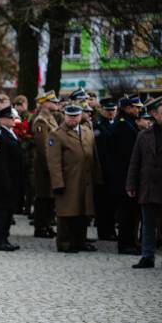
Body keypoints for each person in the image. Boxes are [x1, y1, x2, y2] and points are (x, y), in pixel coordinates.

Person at [46, 105, 101, 253]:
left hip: (85, 180)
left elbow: (94, 157)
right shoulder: (56, 134)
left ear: (80, 116)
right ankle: (64, 243)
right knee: (66, 212)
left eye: (76, 116)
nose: (73, 119)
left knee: (83, 212)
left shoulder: (87, 131)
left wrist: (98, 179)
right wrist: (57, 183)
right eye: (70, 116)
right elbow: (54, 162)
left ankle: (79, 241)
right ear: (65, 116)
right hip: (68, 180)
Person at [126, 97, 162, 268]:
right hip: (148, 187)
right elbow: (135, 162)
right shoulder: (143, 135)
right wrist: (131, 184)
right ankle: (147, 256)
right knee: (148, 224)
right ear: (154, 114)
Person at [0, 107, 24, 251]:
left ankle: (5, 238)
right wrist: (5, 183)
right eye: (10, 117)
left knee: (8, 211)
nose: (13, 119)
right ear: (1, 120)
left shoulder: (9, 133)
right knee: (0, 211)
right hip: (2, 182)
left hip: (11, 180)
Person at [114, 95, 143, 254]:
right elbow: (126, 155)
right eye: (136, 107)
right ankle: (125, 244)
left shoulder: (129, 124)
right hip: (125, 176)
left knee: (132, 212)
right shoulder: (123, 126)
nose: (138, 110)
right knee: (127, 212)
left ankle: (131, 242)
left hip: (129, 175)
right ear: (127, 108)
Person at [31, 91, 61, 238]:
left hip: (51, 162)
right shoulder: (41, 121)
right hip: (43, 165)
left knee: (50, 196)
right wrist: (49, 166)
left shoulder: (51, 118)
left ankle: (47, 224)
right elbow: (42, 147)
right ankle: (40, 226)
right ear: (45, 103)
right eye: (53, 102)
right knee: (43, 196)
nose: (56, 104)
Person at [93, 97, 119, 241]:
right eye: (108, 110)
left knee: (113, 203)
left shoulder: (118, 124)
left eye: (113, 110)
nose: (110, 112)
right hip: (102, 170)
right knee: (103, 203)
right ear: (102, 110)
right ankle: (104, 231)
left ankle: (111, 230)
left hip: (115, 171)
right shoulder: (98, 126)